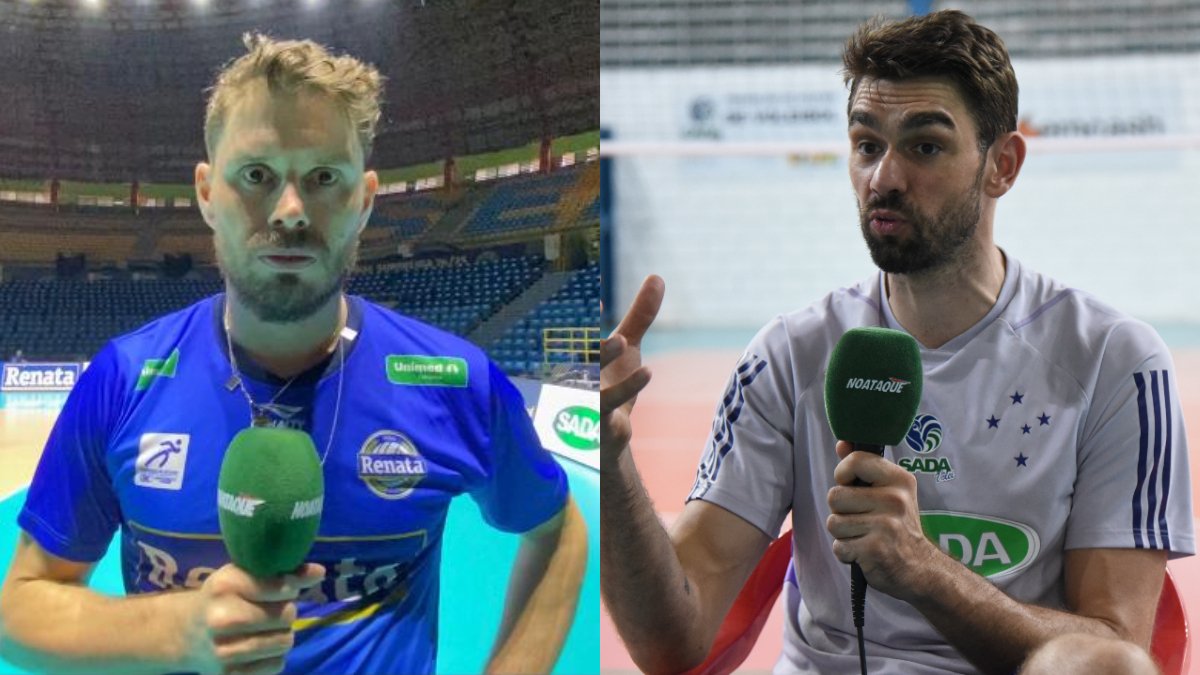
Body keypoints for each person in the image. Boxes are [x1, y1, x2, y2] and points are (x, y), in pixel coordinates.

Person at [600, 10, 1191, 675]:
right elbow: (667, 643)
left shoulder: (1113, 361)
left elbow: (1118, 651)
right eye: (866, 144)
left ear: (1002, 164)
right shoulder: (790, 353)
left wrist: (921, 567)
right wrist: (613, 459)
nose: (884, 177)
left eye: (925, 146)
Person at [0, 34, 586, 675]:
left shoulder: (456, 383)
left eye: (323, 178)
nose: (289, 210)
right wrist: (177, 631)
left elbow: (558, 532)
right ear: (205, 193)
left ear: (363, 201)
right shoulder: (123, 378)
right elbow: (22, 612)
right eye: (256, 175)